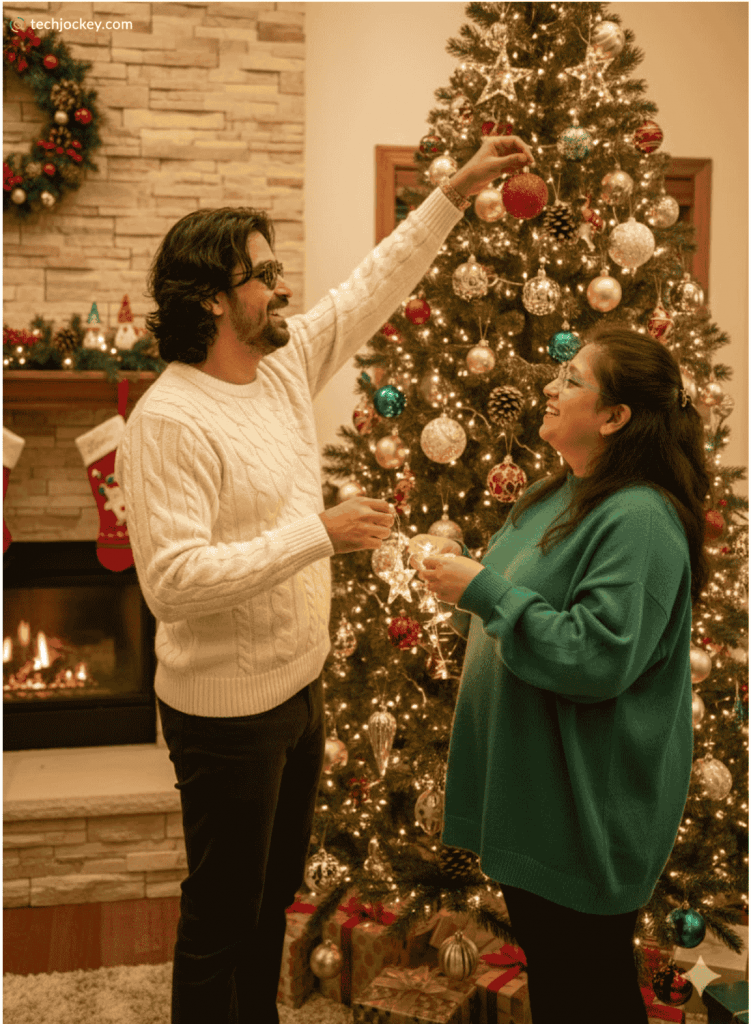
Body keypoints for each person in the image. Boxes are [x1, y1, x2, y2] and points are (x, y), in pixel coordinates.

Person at [115, 132, 535, 1024]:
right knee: (222, 917)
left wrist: (451, 192)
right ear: (214, 300)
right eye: (263, 273)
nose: (283, 285)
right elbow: (174, 584)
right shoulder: (168, 421)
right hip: (226, 715)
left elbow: (370, 286)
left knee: (270, 906)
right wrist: (319, 533)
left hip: (298, 693)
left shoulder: (279, 364)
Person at [417, 326, 713, 1024]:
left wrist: (483, 591)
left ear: (613, 418)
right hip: (532, 800)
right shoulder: (555, 495)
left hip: (583, 812)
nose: (551, 386)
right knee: (560, 986)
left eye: (573, 379)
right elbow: (508, 613)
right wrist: (457, 579)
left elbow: (594, 656)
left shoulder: (638, 518)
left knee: (589, 994)